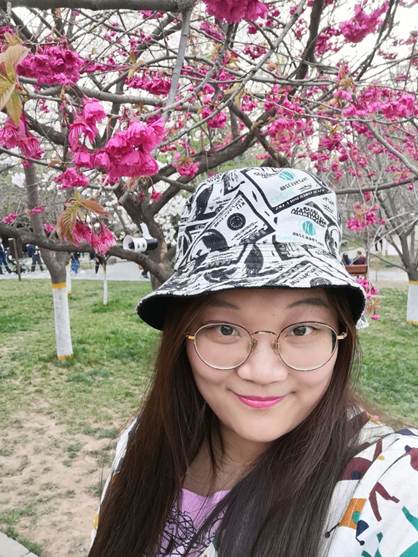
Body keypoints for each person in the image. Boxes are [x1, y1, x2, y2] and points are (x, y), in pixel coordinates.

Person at [89, 168, 418, 557]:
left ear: (340, 335)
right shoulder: (143, 441)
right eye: (225, 329)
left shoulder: (390, 482)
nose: (262, 373)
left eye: (301, 330)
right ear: (183, 338)